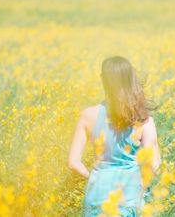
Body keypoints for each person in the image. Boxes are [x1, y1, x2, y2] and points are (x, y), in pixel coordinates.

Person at [67, 56, 161, 216]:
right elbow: (155, 164)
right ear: (132, 80)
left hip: (97, 195)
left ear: (104, 81)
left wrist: (95, 178)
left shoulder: (88, 115)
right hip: (130, 197)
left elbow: (73, 163)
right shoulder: (143, 118)